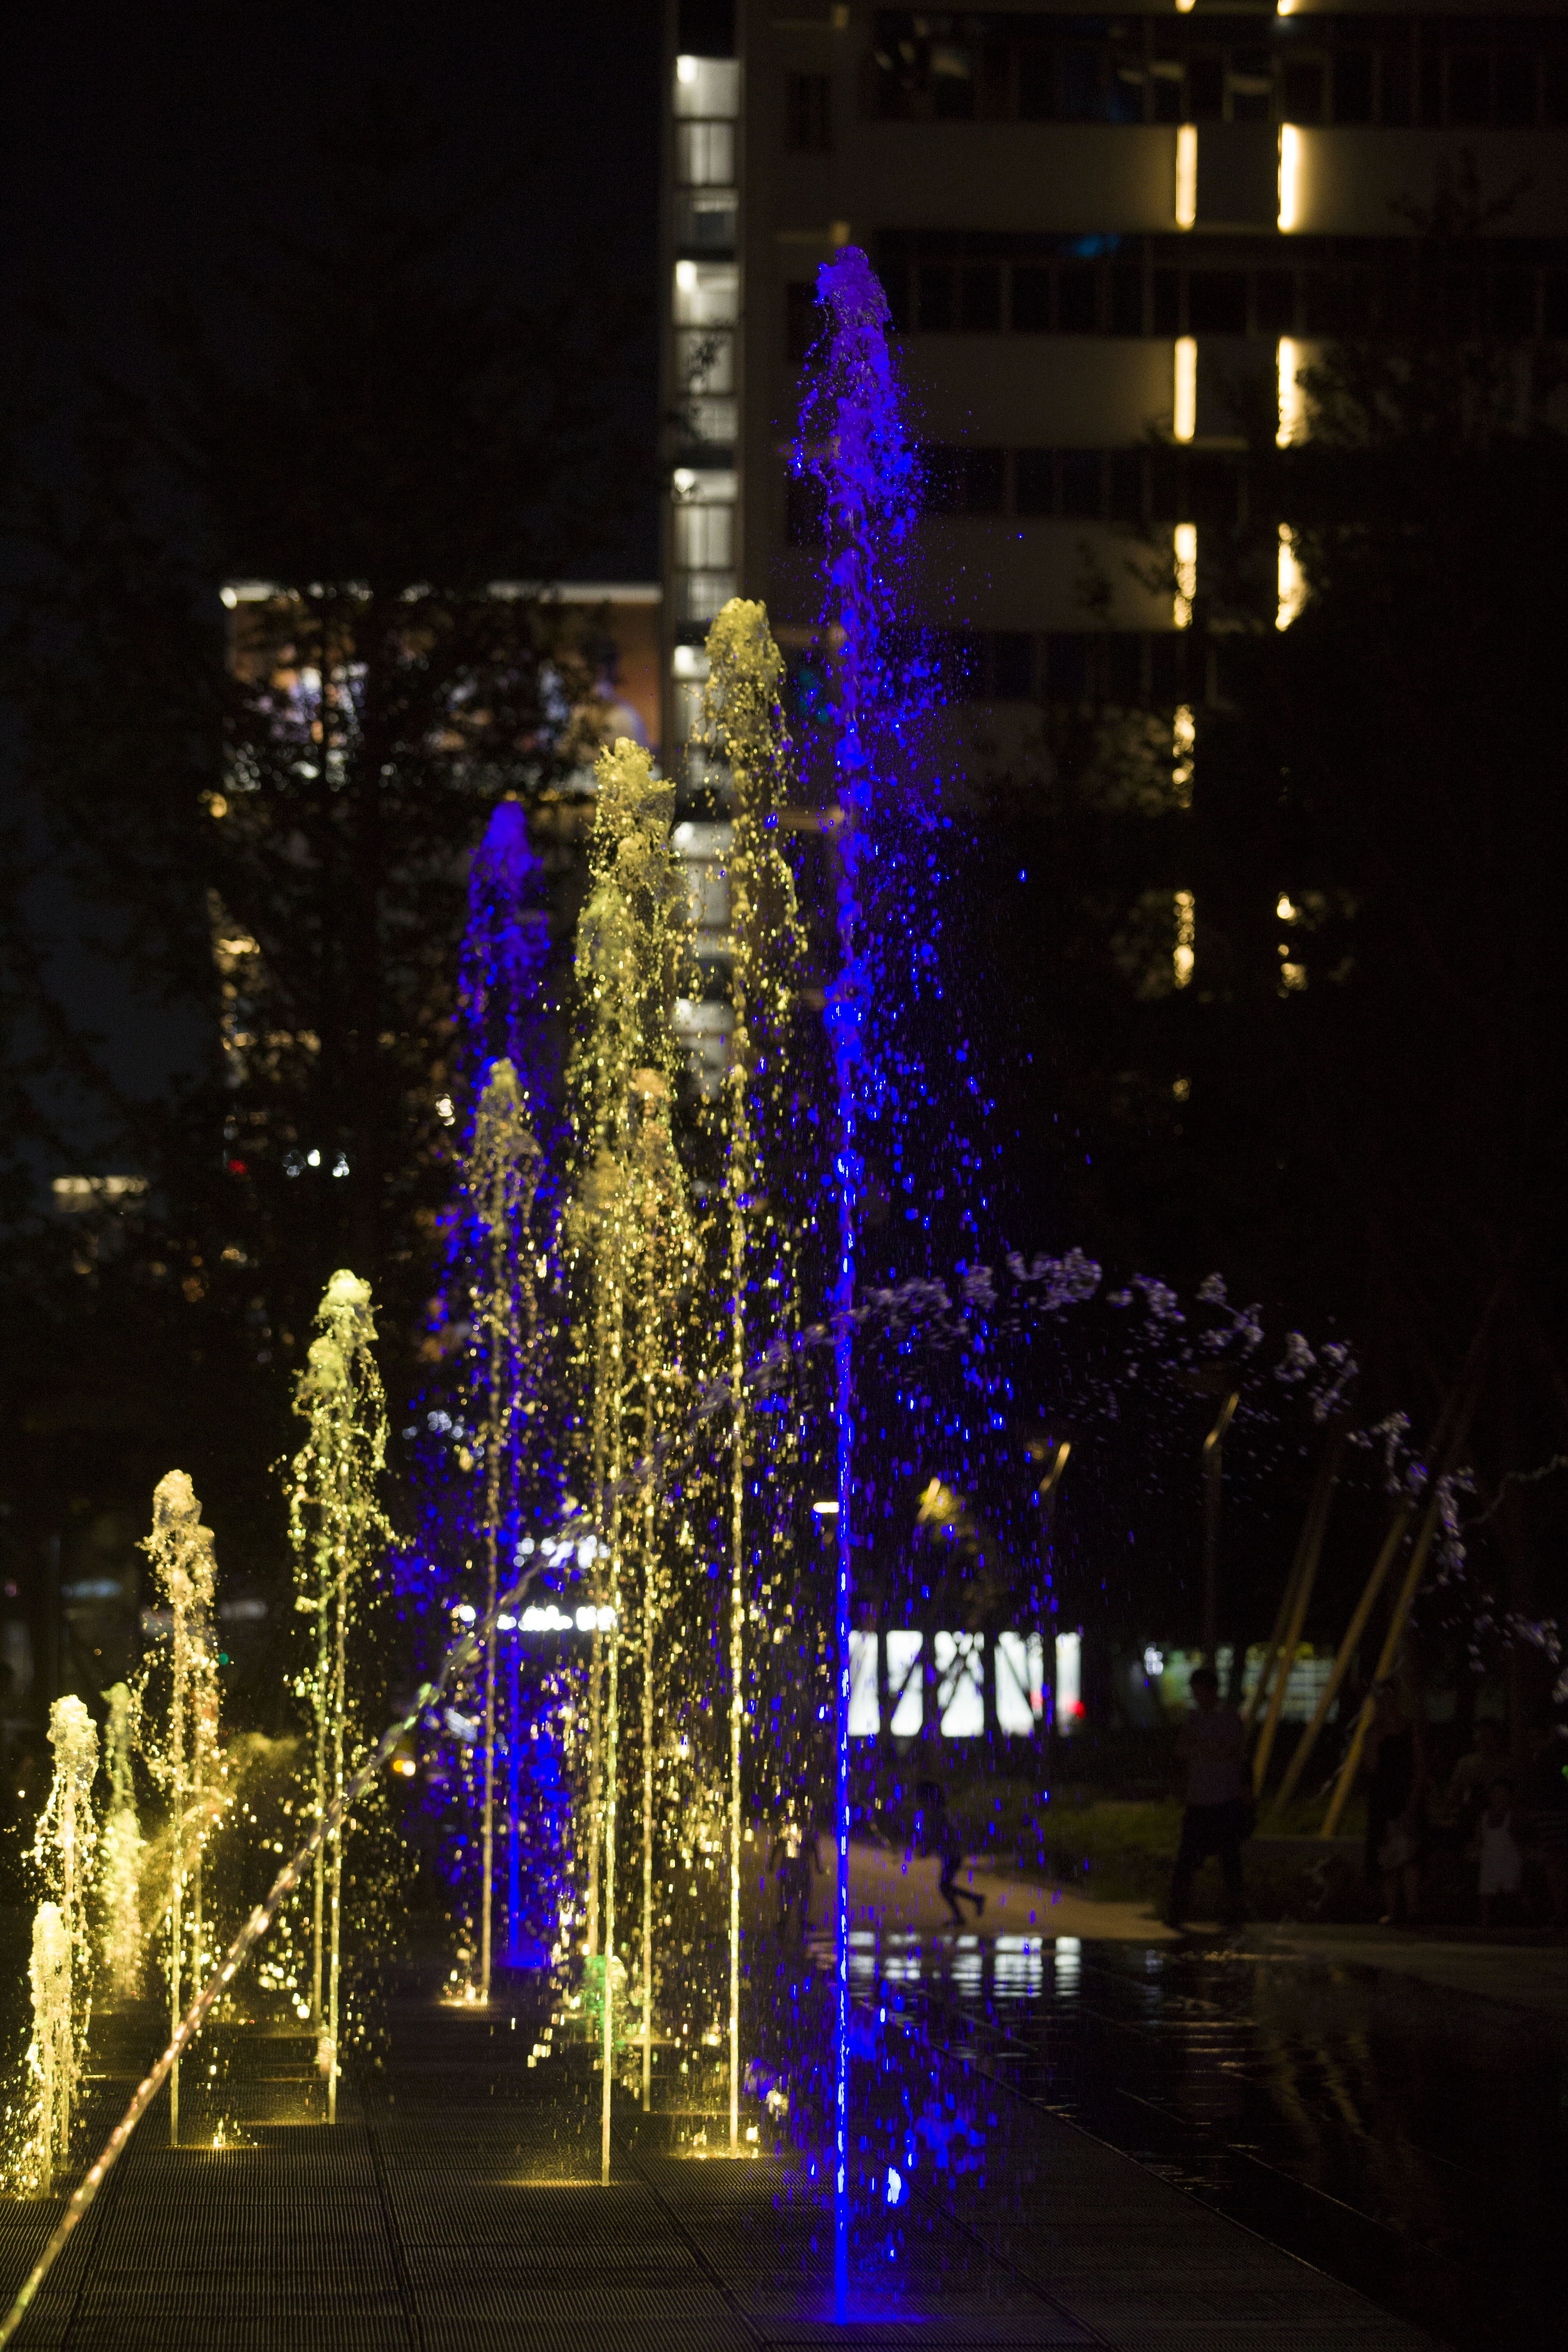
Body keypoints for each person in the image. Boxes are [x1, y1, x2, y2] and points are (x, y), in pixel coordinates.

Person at [1165, 1663, 1250, 1931]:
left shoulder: (1228, 1719)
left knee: (1228, 1860)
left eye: (1200, 1692)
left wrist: (1203, 1749)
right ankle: (1177, 1911)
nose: (1198, 1698)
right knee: (1188, 1859)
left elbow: (1231, 1751)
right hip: (1200, 1800)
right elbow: (1182, 1750)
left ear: (1212, 1691)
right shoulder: (1196, 1719)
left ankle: (1233, 1913)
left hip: (1224, 1799)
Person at [1363, 1681, 1424, 1921]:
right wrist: (1375, 1741)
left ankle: (1413, 1910)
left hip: (1406, 1796)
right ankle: (1392, 1911)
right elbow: (1370, 1769)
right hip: (1383, 1800)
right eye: (1379, 1700)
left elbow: (1420, 1766)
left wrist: (1414, 1799)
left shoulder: (1410, 1728)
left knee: (1410, 1856)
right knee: (1387, 1856)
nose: (1384, 1703)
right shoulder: (1373, 1731)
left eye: (1387, 1697)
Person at [913, 1780, 984, 1927]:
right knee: (945, 1886)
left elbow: (938, 1836)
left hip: (951, 1855)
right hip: (951, 1855)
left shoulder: (938, 1815)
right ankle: (970, 1905)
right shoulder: (940, 1813)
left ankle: (971, 1904)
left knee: (945, 1886)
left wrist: (926, 1849)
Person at [1478, 1777, 1523, 1929]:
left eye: (1503, 1794)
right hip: (1489, 1859)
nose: (1499, 1797)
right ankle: (1486, 1922)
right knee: (1486, 1892)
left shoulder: (1513, 1816)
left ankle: (1512, 1921)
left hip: (1509, 1859)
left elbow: (1521, 1839)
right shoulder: (1484, 1817)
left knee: (1511, 1890)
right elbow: (1479, 1838)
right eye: (1496, 1793)